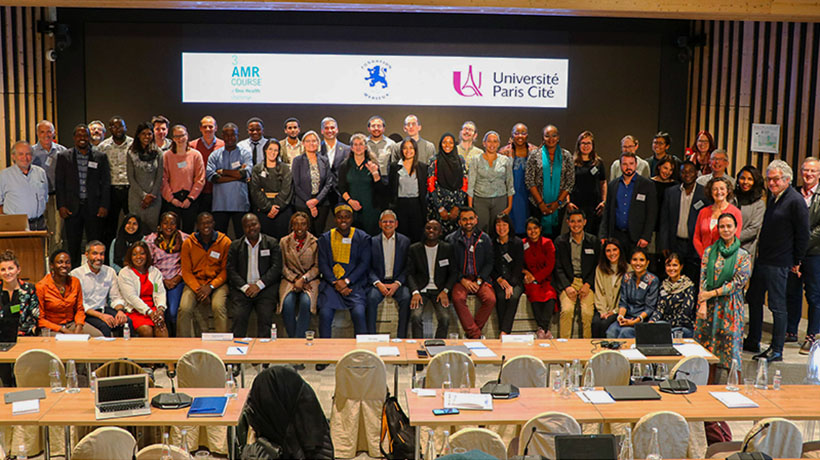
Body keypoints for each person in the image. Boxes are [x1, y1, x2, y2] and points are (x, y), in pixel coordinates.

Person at [745, 160, 809, 362]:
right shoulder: (773, 198)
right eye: (769, 179)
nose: (771, 183)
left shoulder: (795, 200)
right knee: (754, 298)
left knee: (777, 306)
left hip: (780, 262)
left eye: (776, 179)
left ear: (787, 180)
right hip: (764, 260)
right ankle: (753, 339)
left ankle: (777, 349)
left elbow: (803, 234)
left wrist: (797, 260)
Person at [696, 213, 751, 368]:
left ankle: (734, 385)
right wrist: (703, 302)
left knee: (731, 353)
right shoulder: (709, 252)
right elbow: (704, 278)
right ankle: (707, 386)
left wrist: (712, 293)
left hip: (730, 306)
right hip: (710, 306)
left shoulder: (743, 256)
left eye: (729, 226)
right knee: (708, 350)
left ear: (735, 228)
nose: (725, 229)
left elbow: (738, 283)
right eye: (722, 226)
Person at [56, 124, 111, 268]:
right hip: (71, 208)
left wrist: (104, 205)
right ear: (74, 138)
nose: (82, 138)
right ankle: (73, 274)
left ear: (89, 137)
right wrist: (61, 206)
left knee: (95, 243)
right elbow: (59, 183)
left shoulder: (100, 157)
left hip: (93, 207)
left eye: (85, 135)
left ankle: (96, 272)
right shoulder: (63, 157)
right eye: (79, 135)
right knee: (73, 244)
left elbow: (106, 183)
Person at [317, 204, 371, 338]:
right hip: (331, 285)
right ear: (335, 219)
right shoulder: (325, 238)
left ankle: (361, 353)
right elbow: (323, 264)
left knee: (359, 313)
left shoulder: (362, 237)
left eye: (347, 217)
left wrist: (347, 281)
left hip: (354, 285)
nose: (343, 220)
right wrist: (337, 283)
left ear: (351, 219)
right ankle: (324, 355)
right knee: (325, 313)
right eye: (340, 218)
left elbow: (364, 264)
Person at [226, 214, 282, 338]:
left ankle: (264, 352)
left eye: (254, 224)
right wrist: (246, 287)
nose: (252, 228)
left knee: (265, 317)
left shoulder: (272, 243)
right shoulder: (235, 246)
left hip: (265, 289)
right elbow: (231, 270)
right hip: (242, 290)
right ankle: (237, 351)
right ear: (243, 228)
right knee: (238, 317)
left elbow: (276, 268)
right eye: (247, 226)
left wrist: (259, 285)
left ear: (259, 224)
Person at [178, 212, 231, 337]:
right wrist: (199, 290)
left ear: (213, 224)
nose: (205, 226)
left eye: (208, 223)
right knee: (184, 308)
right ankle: (182, 345)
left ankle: (222, 343)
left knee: (218, 307)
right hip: (195, 283)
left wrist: (211, 287)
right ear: (197, 225)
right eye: (202, 223)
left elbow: (226, 270)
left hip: (218, 283)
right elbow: (186, 271)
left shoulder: (225, 242)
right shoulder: (188, 243)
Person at [787, 157, 820, 353]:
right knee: (791, 292)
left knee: (815, 295)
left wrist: (802, 246)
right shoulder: (794, 193)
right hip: (792, 253)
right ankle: (791, 331)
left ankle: (811, 336)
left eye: (813, 171)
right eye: (806, 170)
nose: (808, 174)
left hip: (815, 253)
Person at [447, 207, 495, 339]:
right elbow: (450, 265)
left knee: (490, 299)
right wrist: (462, 280)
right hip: (460, 279)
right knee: (458, 298)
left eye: (471, 219)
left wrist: (479, 280)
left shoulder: (485, 238)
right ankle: (476, 335)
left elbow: (489, 262)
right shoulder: (451, 239)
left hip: (480, 279)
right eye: (464, 219)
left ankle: (472, 334)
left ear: (476, 220)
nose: (468, 222)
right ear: (459, 222)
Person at [659, 161, 709, 284]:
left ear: (696, 173)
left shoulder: (704, 193)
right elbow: (664, 220)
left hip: (695, 244)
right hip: (675, 243)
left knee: (693, 279)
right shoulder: (671, 192)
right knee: (674, 278)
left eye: (690, 171)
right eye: (683, 172)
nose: (687, 174)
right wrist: (664, 244)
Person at [407, 220, 458, 338]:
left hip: (439, 291)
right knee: (415, 316)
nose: (431, 231)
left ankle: (438, 346)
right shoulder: (414, 249)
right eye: (428, 228)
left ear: (440, 232)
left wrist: (446, 290)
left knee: (445, 318)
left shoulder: (447, 248)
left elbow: (454, 273)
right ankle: (418, 346)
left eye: (435, 229)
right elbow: (409, 273)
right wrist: (415, 292)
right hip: (420, 291)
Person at [70, 240, 132, 337]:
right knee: (104, 327)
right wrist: (101, 316)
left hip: (103, 309)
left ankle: (126, 351)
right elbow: (80, 304)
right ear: (86, 255)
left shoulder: (109, 272)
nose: (98, 258)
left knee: (127, 321)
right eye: (95, 254)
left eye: (102, 254)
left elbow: (116, 297)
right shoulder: (76, 274)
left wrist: (120, 311)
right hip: (87, 313)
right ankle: (106, 352)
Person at [599, 151, 657, 251]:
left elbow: (651, 213)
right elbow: (607, 212)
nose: (628, 167)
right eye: (625, 164)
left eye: (631, 163)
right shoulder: (613, 185)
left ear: (636, 164)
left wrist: (646, 236)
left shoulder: (647, 185)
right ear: (620, 165)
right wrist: (603, 234)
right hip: (616, 235)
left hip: (637, 237)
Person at [554, 209, 598, 338]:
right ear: (568, 222)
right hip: (568, 282)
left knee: (587, 313)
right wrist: (567, 286)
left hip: (586, 283)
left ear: (584, 222)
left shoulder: (593, 241)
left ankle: (586, 349)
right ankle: (564, 348)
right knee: (567, 310)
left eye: (579, 221)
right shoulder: (560, 242)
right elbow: (558, 267)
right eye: (572, 221)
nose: (576, 224)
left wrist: (588, 284)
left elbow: (597, 267)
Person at [525, 124, 575, 239]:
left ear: (558, 137)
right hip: (537, 205)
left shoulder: (566, 155)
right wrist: (541, 204)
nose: (551, 139)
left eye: (554, 135)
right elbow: (529, 181)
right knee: (536, 237)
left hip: (559, 206)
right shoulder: (534, 155)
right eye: (547, 136)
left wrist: (558, 203)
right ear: (543, 138)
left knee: (555, 237)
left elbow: (570, 182)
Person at [366, 210, 411, 336]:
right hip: (379, 282)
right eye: (385, 221)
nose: (388, 224)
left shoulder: (405, 241)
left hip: (397, 282)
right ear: (380, 224)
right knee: (371, 298)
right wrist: (377, 283)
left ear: (396, 224)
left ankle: (401, 337)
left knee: (406, 297)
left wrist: (397, 283)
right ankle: (371, 337)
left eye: (391, 221)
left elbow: (408, 267)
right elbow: (367, 267)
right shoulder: (372, 241)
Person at [36, 250, 100, 336]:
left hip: (72, 324)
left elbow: (79, 309)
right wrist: (63, 330)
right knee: (64, 342)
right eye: (60, 262)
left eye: (67, 262)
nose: (64, 265)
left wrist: (79, 326)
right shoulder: (41, 286)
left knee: (98, 336)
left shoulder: (75, 282)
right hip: (52, 328)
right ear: (52, 265)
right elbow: (40, 320)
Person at [145, 211, 188, 336]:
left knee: (173, 312)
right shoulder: (151, 240)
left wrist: (177, 278)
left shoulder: (185, 239)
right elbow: (149, 264)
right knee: (160, 309)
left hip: (177, 279)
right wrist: (162, 280)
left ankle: (174, 337)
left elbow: (187, 262)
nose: (169, 226)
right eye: (165, 223)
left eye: (172, 223)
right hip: (158, 280)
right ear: (160, 225)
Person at [0, 250, 39, 386]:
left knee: (22, 380)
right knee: (6, 382)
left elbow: (34, 317)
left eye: (11, 268)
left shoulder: (29, 289)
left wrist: (19, 336)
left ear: (18, 269)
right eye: (3, 269)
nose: (7, 272)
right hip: (1, 342)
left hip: (23, 340)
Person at [206, 123, 252, 238]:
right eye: (227, 135)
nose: (230, 138)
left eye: (233, 135)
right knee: (219, 240)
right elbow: (213, 178)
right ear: (222, 136)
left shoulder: (245, 153)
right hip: (220, 204)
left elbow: (245, 174)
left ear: (237, 136)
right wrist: (236, 175)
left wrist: (222, 171)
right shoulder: (215, 155)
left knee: (242, 238)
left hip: (240, 203)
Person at [279, 212, 319, 338]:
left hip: (309, 280)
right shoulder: (284, 242)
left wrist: (304, 278)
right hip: (290, 280)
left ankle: (298, 339)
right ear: (292, 226)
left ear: (307, 226)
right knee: (287, 304)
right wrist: (295, 279)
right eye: (296, 224)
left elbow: (317, 267)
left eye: (303, 224)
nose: (299, 227)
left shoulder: (315, 242)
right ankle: (294, 338)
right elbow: (282, 266)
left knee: (306, 303)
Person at [117, 241, 168, 337]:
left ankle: (163, 352)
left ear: (147, 255)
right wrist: (149, 312)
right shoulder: (125, 273)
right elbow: (131, 297)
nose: (138, 257)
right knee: (146, 330)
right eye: (134, 254)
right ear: (130, 257)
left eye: (142, 253)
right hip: (135, 310)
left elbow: (160, 292)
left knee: (162, 328)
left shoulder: (154, 272)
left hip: (153, 310)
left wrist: (160, 309)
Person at [467, 131, 514, 235]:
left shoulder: (505, 160)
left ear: (498, 144)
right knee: (481, 230)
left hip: (500, 200)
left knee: (497, 230)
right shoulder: (476, 160)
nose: (492, 144)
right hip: (480, 200)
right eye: (489, 141)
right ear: (484, 143)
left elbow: (510, 184)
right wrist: (470, 208)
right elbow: (470, 185)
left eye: (495, 141)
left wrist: (509, 206)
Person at [338, 133, 385, 235]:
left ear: (365, 147)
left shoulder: (372, 164)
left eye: (361, 144)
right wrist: (350, 201)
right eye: (355, 144)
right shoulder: (345, 165)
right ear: (351, 147)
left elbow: (381, 189)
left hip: (371, 209)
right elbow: (341, 187)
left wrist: (375, 174)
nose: (358, 147)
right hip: (351, 209)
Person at [606, 248, 659, 338]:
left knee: (624, 334)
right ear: (630, 262)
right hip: (627, 316)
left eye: (641, 260)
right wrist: (621, 317)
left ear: (647, 263)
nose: (638, 263)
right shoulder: (627, 277)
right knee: (611, 332)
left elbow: (650, 308)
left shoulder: (653, 280)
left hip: (643, 319)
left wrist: (635, 321)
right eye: (635, 260)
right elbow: (623, 302)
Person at [162, 124, 205, 233]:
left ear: (187, 136)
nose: (180, 139)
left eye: (182, 135)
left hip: (190, 199)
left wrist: (190, 198)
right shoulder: (167, 156)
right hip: (172, 199)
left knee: (188, 230)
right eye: (176, 136)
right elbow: (163, 179)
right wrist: (171, 199)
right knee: (171, 231)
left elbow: (200, 179)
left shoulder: (196, 155)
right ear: (172, 139)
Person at [31, 120, 68, 249]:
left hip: (57, 197)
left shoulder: (62, 151)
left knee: (57, 234)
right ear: (37, 134)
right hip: (37, 198)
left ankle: (54, 265)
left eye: (49, 131)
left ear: (54, 133)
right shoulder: (30, 153)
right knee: (38, 233)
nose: (46, 135)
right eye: (42, 132)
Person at [99, 116, 133, 249]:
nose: (118, 129)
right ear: (109, 129)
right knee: (109, 227)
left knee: (132, 223)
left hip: (130, 189)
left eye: (120, 126)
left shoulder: (133, 144)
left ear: (125, 127)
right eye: (114, 126)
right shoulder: (103, 147)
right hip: (111, 190)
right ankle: (108, 259)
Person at [292, 130, 334, 237]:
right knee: (305, 234)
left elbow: (329, 182)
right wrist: (309, 203)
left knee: (319, 233)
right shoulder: (298, 160)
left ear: (318, 143)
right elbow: (296, 184)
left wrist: (317, 200)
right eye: (308, 141)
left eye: (314, 141)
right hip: (303, 203)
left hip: (322, 203)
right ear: (303, 144)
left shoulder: (324, 160)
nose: (311, 143)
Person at [250, 138, 293, 239]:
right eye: (270, 149)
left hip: (282, 210)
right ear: (265, 150)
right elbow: (255, 191)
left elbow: (286, 190)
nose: (272, 153)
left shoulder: (285, 168)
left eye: (275, 150)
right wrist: (268, 207)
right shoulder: (257, 169)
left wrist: (276, 207)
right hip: (263, 210)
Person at [0, 141, 48, 230]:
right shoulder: (4, 175)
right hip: (15, 226)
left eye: (28, 154)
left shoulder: (40, 173)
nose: (25, 158)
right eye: (21, 154)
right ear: (13, 156)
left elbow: (45, 197)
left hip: (39, 224)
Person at [388, 137, 428, 244]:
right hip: (400, 205)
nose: (408, 151)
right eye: (405, 148)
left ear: (415, 150)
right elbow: (390, 188)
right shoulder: (394, 167)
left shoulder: (422, 167)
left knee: (417, 236)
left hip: (417, 206)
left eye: (411, 148)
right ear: (401, 150)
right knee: (402, 237)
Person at [522, 217, 557, 339]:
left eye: (535, 228)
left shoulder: (548, 243)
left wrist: (536, 277)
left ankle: (543, 328)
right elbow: (519, 264)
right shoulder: (523, 243)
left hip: (546, 278)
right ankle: (544, 330)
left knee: (550, 294)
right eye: (529, 229)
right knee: (534, 292)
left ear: (540, 229)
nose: (533, 231)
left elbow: (550, 265)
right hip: (530, 279)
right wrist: (527, 273)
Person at [500, 123, 538, 236]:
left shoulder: (535, 151)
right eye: (516, 133)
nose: (520, 136)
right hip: (510, 194)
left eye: (523, 133)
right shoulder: (504, 152)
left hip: (529, 194)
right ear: (512, 135)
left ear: (527, 135)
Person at [428, 133, 468, 236]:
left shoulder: (460, 160)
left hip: (456, 203)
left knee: (455, 237)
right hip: (438, 205)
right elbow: (431, 186)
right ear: (440, 144)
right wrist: (440, 207)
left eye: (450, 142)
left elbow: (465, 183)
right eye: (444, 142)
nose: (447, 145)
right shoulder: (434, 160)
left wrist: (457, 207)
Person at [567, 131, 606, 235]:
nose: (586, 146)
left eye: (588, 143)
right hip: (576, 205)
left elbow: (603, 182)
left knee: (593, 235)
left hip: (595, 206)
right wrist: (568, 202)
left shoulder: (598, 163)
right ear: (578, 145)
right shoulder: (572, 162)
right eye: (583, 143)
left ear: (593, 145)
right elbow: (566, 184)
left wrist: (604, 201)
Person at [127, 121, 164, 231]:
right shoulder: (131, 152)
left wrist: (151, 196)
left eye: (149, 134)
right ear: (138, 135)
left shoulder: (158, 152)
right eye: (144, 134)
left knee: (152, 230)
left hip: (154, 199)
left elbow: (159, 176)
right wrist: (144, 196)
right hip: (136, 197)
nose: (147, 137)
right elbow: (131, 178)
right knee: (136, 228)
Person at [693, 177, 742, 257]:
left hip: (726, 258)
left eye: (722, 188)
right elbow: (696, 237)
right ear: (711, 192)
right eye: (715, 189)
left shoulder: (736, 212)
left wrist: (721, 257)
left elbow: (735, 238)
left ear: (727, 191)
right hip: (704, 258)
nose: (719, 192)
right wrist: (703, 255)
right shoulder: (703, 212)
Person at [492, 213, 524, 335]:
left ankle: (504, 332)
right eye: (498, 225)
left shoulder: (517, 243)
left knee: (513, 296)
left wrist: (510, 284)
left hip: (514, 280)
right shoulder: (492, 243)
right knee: (500, 296)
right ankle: (504, 331)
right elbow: (491, 265)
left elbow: (518, 266)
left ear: (509, 226)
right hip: (499, 280)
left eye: (504, 224)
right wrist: (499, 279)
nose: (501, 228)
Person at [651, 253, 696, 338]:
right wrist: (652, 321)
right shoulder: (663, 285)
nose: (671, 268)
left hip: (682, 326)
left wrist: (666, 325)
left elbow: (686, 312)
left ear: (681, 266)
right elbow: (660, 308)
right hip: (665, 325)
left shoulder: (688, 285)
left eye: (675, 265)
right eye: (668, 265)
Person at [592, 239, 627, 338]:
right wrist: (602, 311)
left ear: (620, 250)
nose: (612, 253)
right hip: (603, 308)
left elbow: (625, 297)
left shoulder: (628, 270)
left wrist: (614, 311)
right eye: (608, 251)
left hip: (618, 310)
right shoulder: (600, 269)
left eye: (614, 250)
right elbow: (599, 292)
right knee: (595, 323)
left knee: (604, 325)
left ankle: (606, 351)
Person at [189, 115, 224, 213]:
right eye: (204, 127)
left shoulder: (223, 146)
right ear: (200, 128)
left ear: (216, 128)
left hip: (217, 191)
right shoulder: (192, 146)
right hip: (197, 192)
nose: (208, 129)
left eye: (211, 126)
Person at [734, 165, 766, 262]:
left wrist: (731, 239)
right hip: (724, 249)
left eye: (750, 179)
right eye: (742, 178)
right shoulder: (731, 198)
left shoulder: (759, 204)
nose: (745, 182)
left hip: (745, 250)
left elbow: (753, 229)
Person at [320, 117, 350, 208]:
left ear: (337, 130)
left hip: (340, 193)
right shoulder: (316, 149)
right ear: (322, 131)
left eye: (332, 128)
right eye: (326, 128)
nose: (330, 130)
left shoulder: (346, 149)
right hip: (321, 193)